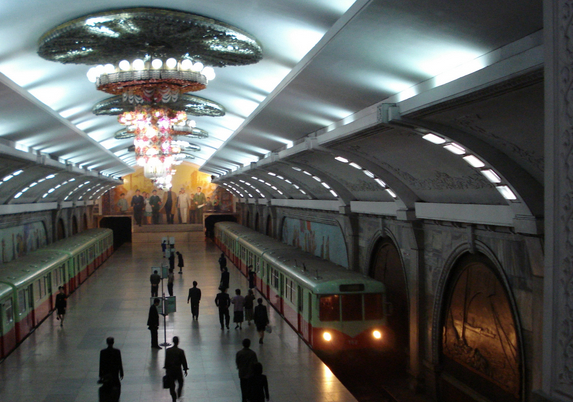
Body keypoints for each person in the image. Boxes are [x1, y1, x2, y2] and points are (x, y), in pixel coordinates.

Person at [98, 337, 123, 402]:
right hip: (115, 372)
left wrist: (100, 374)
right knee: (117, 385)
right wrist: (121, 372)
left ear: (107, 343)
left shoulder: (103, 352)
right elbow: (119, 362)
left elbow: (101, 364)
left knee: (107, 385)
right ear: (113, 342)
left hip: (106, 373)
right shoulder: (117, 351)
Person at [164, 336, 188, 402]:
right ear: (178, 342)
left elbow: (166, 361)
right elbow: (183, 361)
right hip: (178, 370)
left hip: (170, 371)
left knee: (171, 385)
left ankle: (173, 397)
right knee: (181, 382)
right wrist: (185, 369)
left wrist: (166, 370)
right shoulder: (180, 351)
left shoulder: (168, 351)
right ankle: (179, 392)